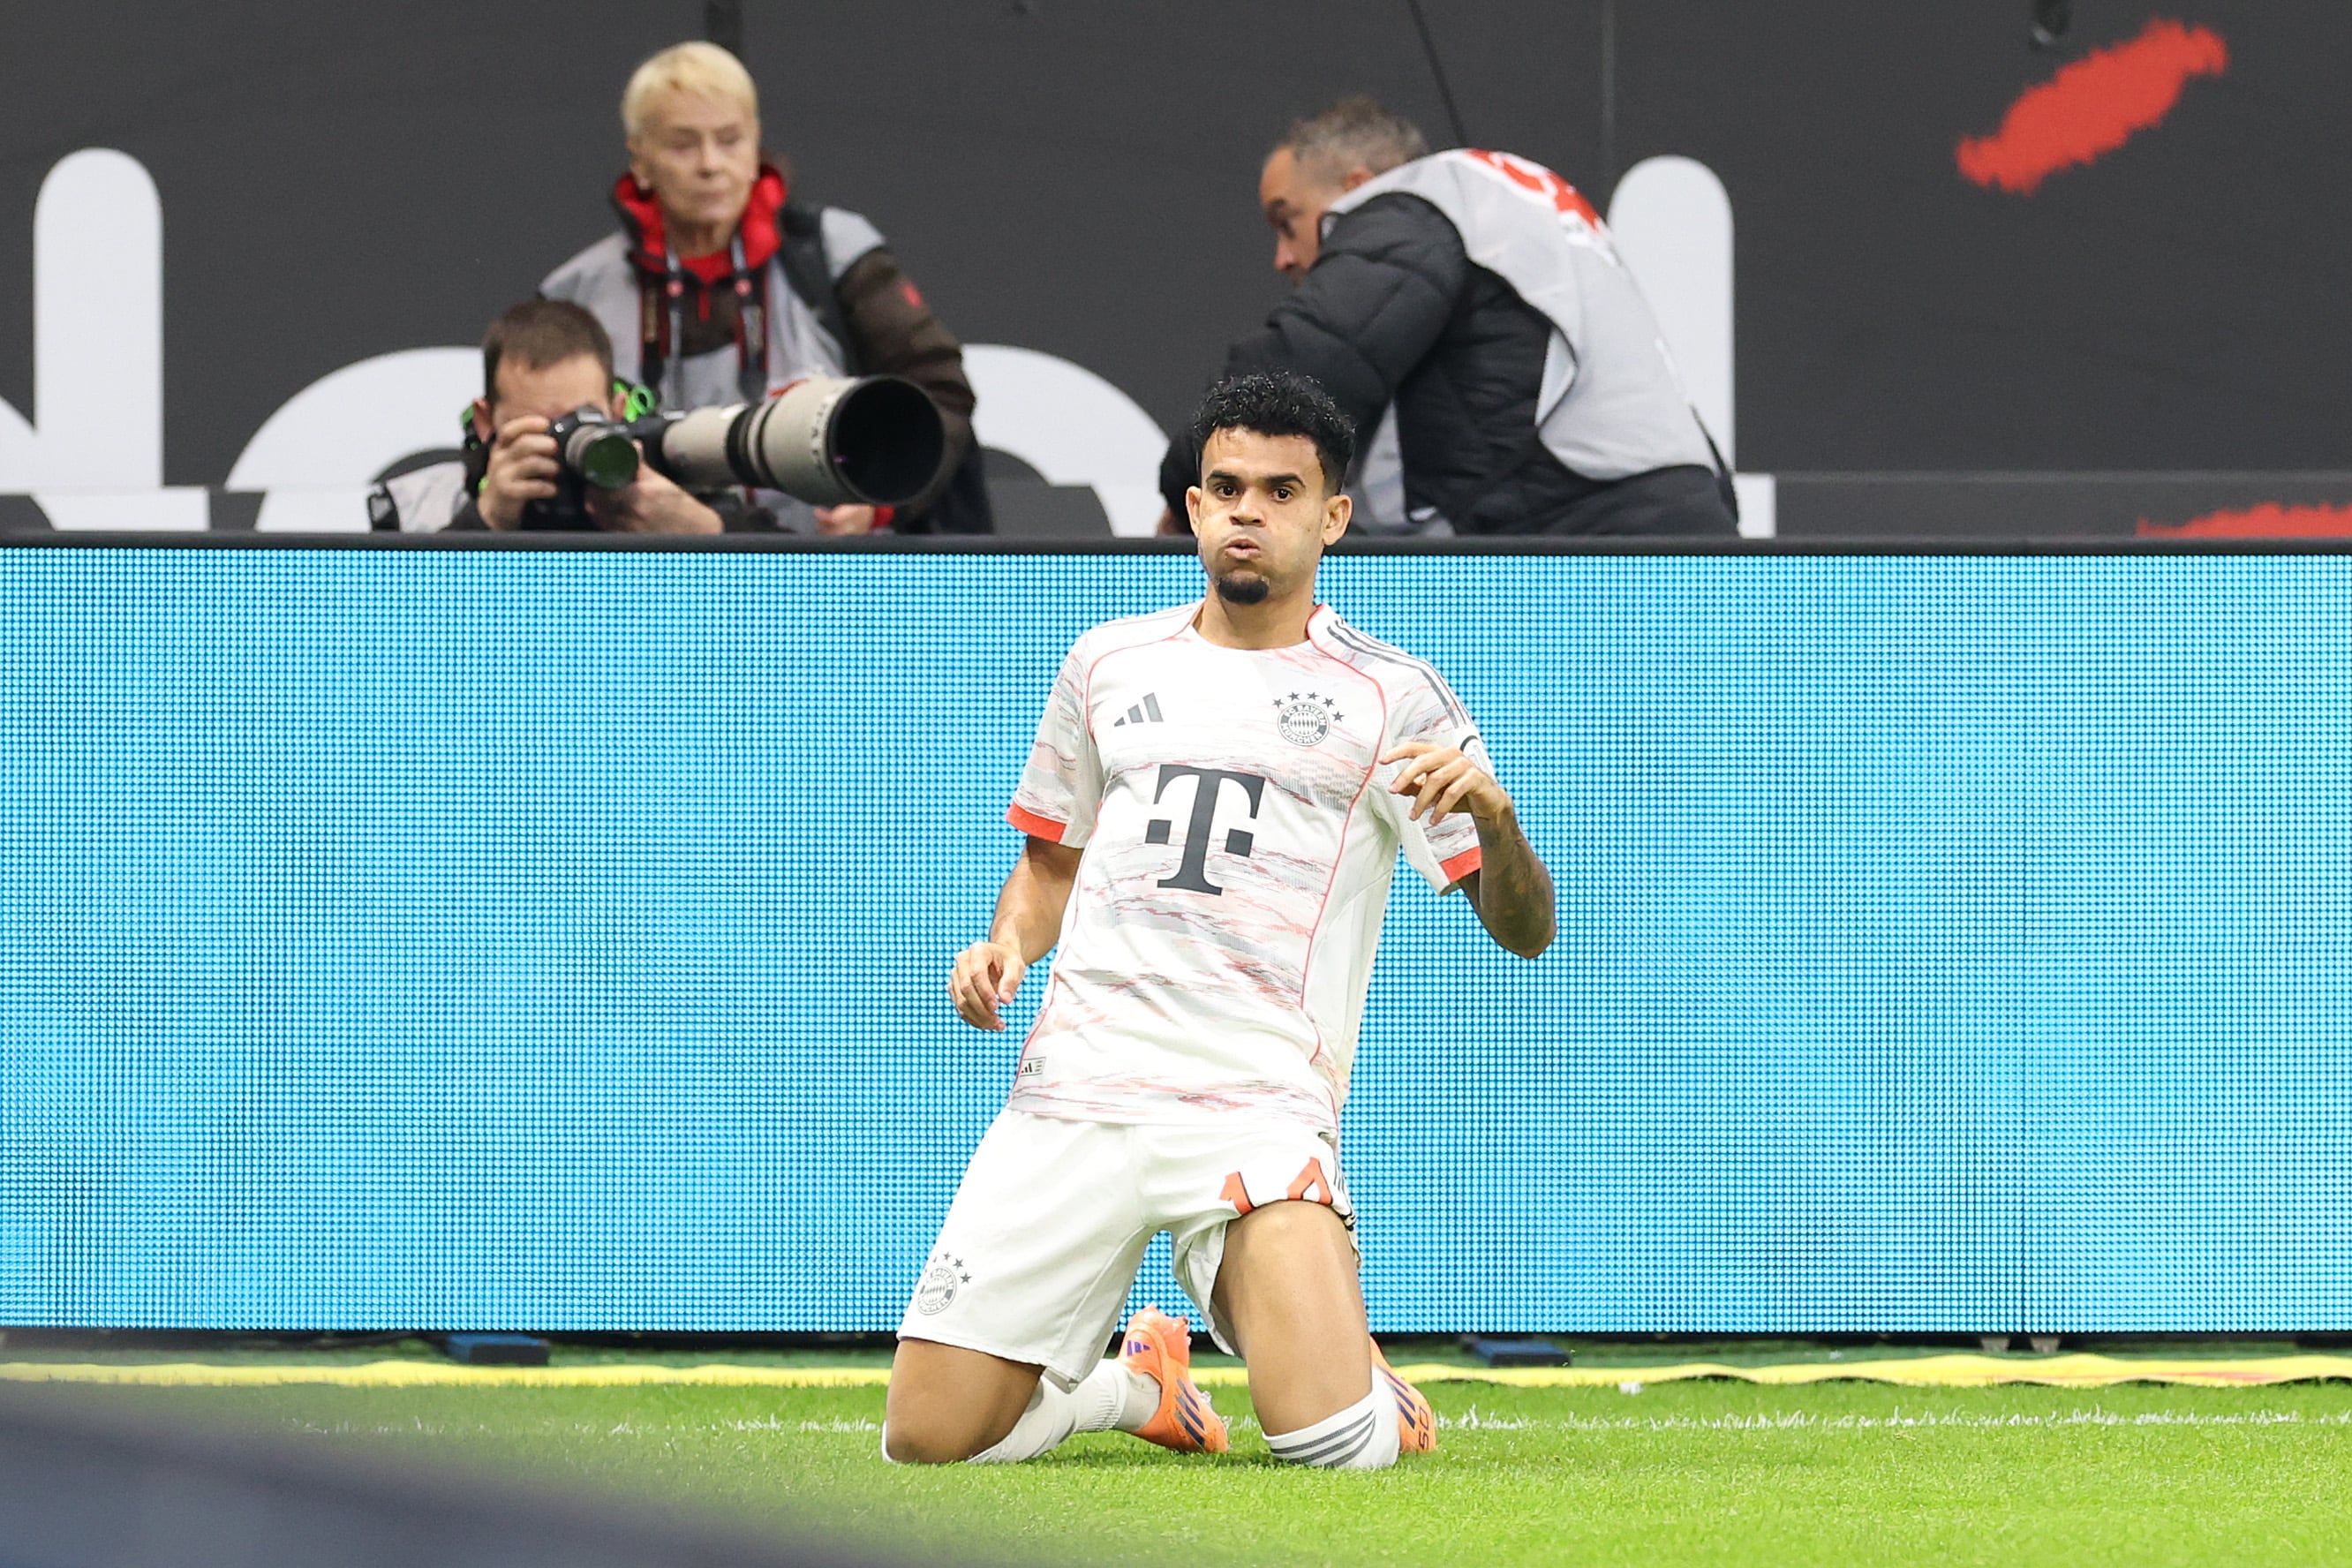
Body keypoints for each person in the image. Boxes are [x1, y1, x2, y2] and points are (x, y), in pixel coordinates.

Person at [886, 371, 1557, 1470]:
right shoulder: (1107, 661)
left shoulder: (1394, 696)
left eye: (1282, 491)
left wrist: (1498, 814)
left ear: (1333, 518)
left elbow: (1525, 931)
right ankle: (1132, 1389)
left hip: (1254, 1105)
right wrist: (1006, 944)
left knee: (1338, 1448)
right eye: (1227, 487)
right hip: (1078, 1091)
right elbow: (1049, 863)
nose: (1249, 510)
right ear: (1194, 507)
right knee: (927, 1441)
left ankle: (1361, 1383)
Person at [1157, 97, 1736, 539]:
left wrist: (1195, 490)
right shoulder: (1519, 209)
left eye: (1289, 221)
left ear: (1360, 188)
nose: (1283, 257)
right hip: (1686, 532)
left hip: (1588, 551)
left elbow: (1309, 368)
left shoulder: (1417, 203)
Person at [540, 41, 989, 536]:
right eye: (683, 144)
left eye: (729, 139)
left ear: (756, 144)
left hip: (824, 577)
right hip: (638, 578)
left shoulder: (829, 254)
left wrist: (878, 502)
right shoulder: (577, 293)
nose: (711, 164)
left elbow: (939, 390)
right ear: (640, 159)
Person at [369, 299, 726, 535]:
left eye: (581, 420)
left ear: (617, 411)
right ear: (485, 421)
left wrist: (705, 535)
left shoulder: (670, 489)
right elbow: (392, 633)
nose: (561, 443)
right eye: (536, 425)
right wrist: (485, 519)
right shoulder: (420, 509)